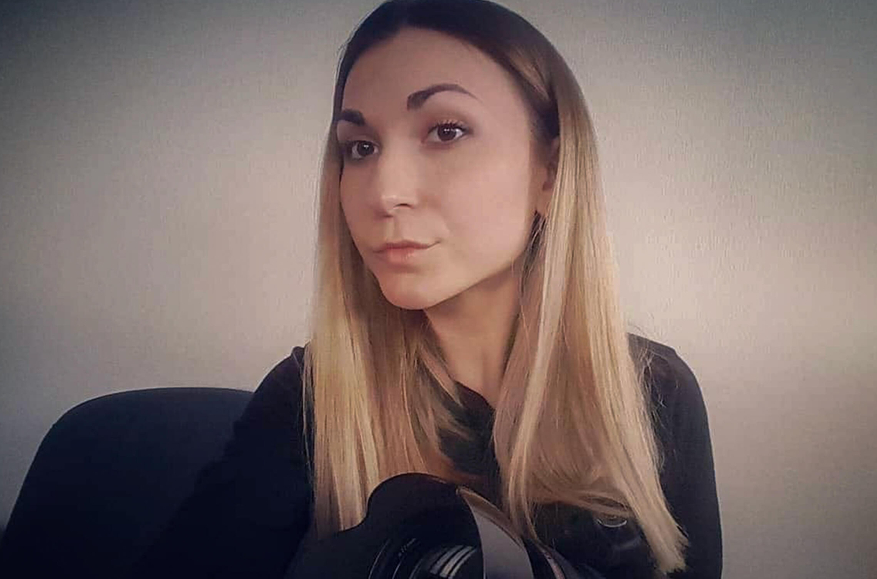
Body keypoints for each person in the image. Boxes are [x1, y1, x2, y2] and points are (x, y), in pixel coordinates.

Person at [132, 0, 722, 577]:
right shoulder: (310, 398)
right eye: (361, 147)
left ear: (550, 172)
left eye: (446, 131)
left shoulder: (654, 392)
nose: (384, 191)